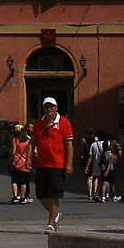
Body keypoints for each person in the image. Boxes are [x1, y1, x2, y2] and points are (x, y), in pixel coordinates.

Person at [29, 97, 73, 230]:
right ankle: (55, 214)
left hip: (57, 164)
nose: (49, 109)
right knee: (41, 195)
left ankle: (51, 222)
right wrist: (28, 158)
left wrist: (69, 163)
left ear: (56, 108)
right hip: (42, 164)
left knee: (53, 194)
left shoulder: (64, 122)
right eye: (46, 106)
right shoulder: (39, 122)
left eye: (51, 106)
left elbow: (69, 144)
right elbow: (34, 141)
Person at [9, 125, 34, 204]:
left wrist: (9, 161)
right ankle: (23, 197)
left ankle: (15, 196)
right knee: (24, 181)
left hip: (16, 162)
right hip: (25, 163)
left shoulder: (15, 140)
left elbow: (13, 152)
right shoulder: (28, 141)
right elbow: (30, 152)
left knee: (14, 180)